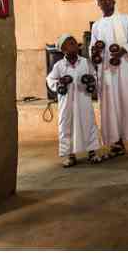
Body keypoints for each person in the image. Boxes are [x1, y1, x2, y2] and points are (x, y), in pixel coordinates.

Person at [89, 0, 128, 158]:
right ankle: (117, 143)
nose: (104, 1)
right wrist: (95, 53)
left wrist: (121, 51)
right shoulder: (97, 26)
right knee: (111, 106)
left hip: (125, 70)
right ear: (97, 3)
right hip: (106, 73)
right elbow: (93, 48)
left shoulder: (126, 19)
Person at [47, 33, 101, 167]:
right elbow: (50, 80)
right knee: (67, 126)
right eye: (70, 43)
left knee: (88, 123)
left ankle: (92, 152)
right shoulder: (59, 66)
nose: (74, 45)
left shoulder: (85, 62)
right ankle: (70, 155)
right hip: (67, 103)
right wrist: (59, 84)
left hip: (83, 99)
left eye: (74, 42)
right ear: (63, 49)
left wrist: (91, 81)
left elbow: (94, 76)